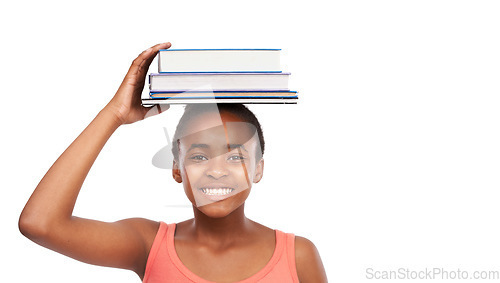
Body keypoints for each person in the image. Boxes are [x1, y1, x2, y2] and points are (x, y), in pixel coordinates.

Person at [19, 42, 327, 283]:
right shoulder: (149, 244)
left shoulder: (298, 255)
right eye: (199, 156)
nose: (217, 170)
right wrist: (114, 114)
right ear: (177, 168)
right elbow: (40, 224)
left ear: (258, 168)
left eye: (235, 156)